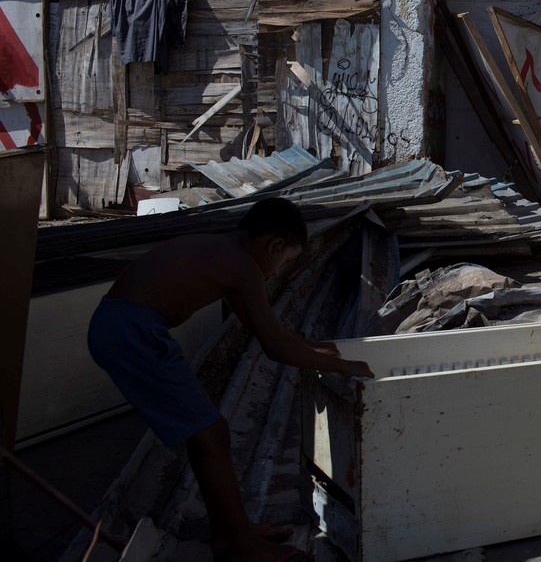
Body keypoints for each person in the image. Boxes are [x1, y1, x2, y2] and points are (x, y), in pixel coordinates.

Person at [87, 198, 374, 561]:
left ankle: (232, 532)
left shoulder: (224, 250)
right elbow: (274, 346)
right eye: (283, 262)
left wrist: (320, 349)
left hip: (119, 324)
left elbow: (270, 330)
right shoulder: (243, 267)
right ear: (275, 245)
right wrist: (341, 366)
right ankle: (240, 543)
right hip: (131, 332)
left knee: (207, 434)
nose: (275, 273)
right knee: (211, 434)